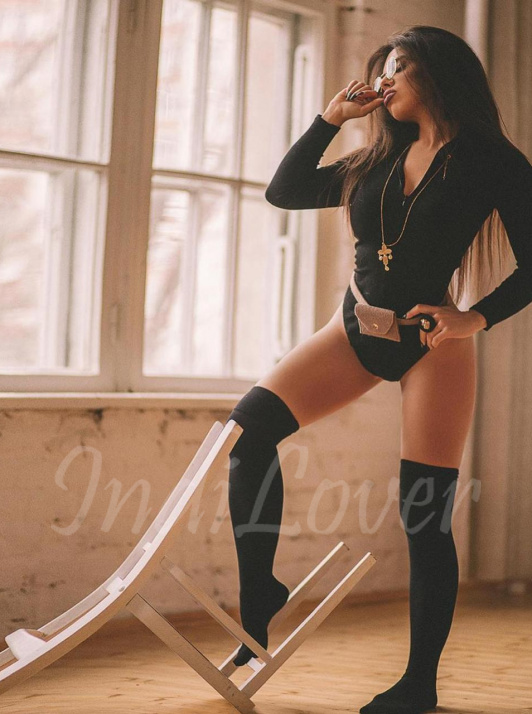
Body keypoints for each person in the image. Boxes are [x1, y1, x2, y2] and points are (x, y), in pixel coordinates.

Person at [226, 25, 532, 714]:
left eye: (398, 66)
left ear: (438, 72)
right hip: (353, 327)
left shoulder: (492, 160)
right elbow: (284, 191)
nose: (384, 80)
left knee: (424, 517)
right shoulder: (376, 159)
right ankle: (261, 591)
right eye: (381, 68)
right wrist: (329, 120)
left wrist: (475, 317)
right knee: (248, 433)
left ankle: (419, 684)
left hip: (433, 345)